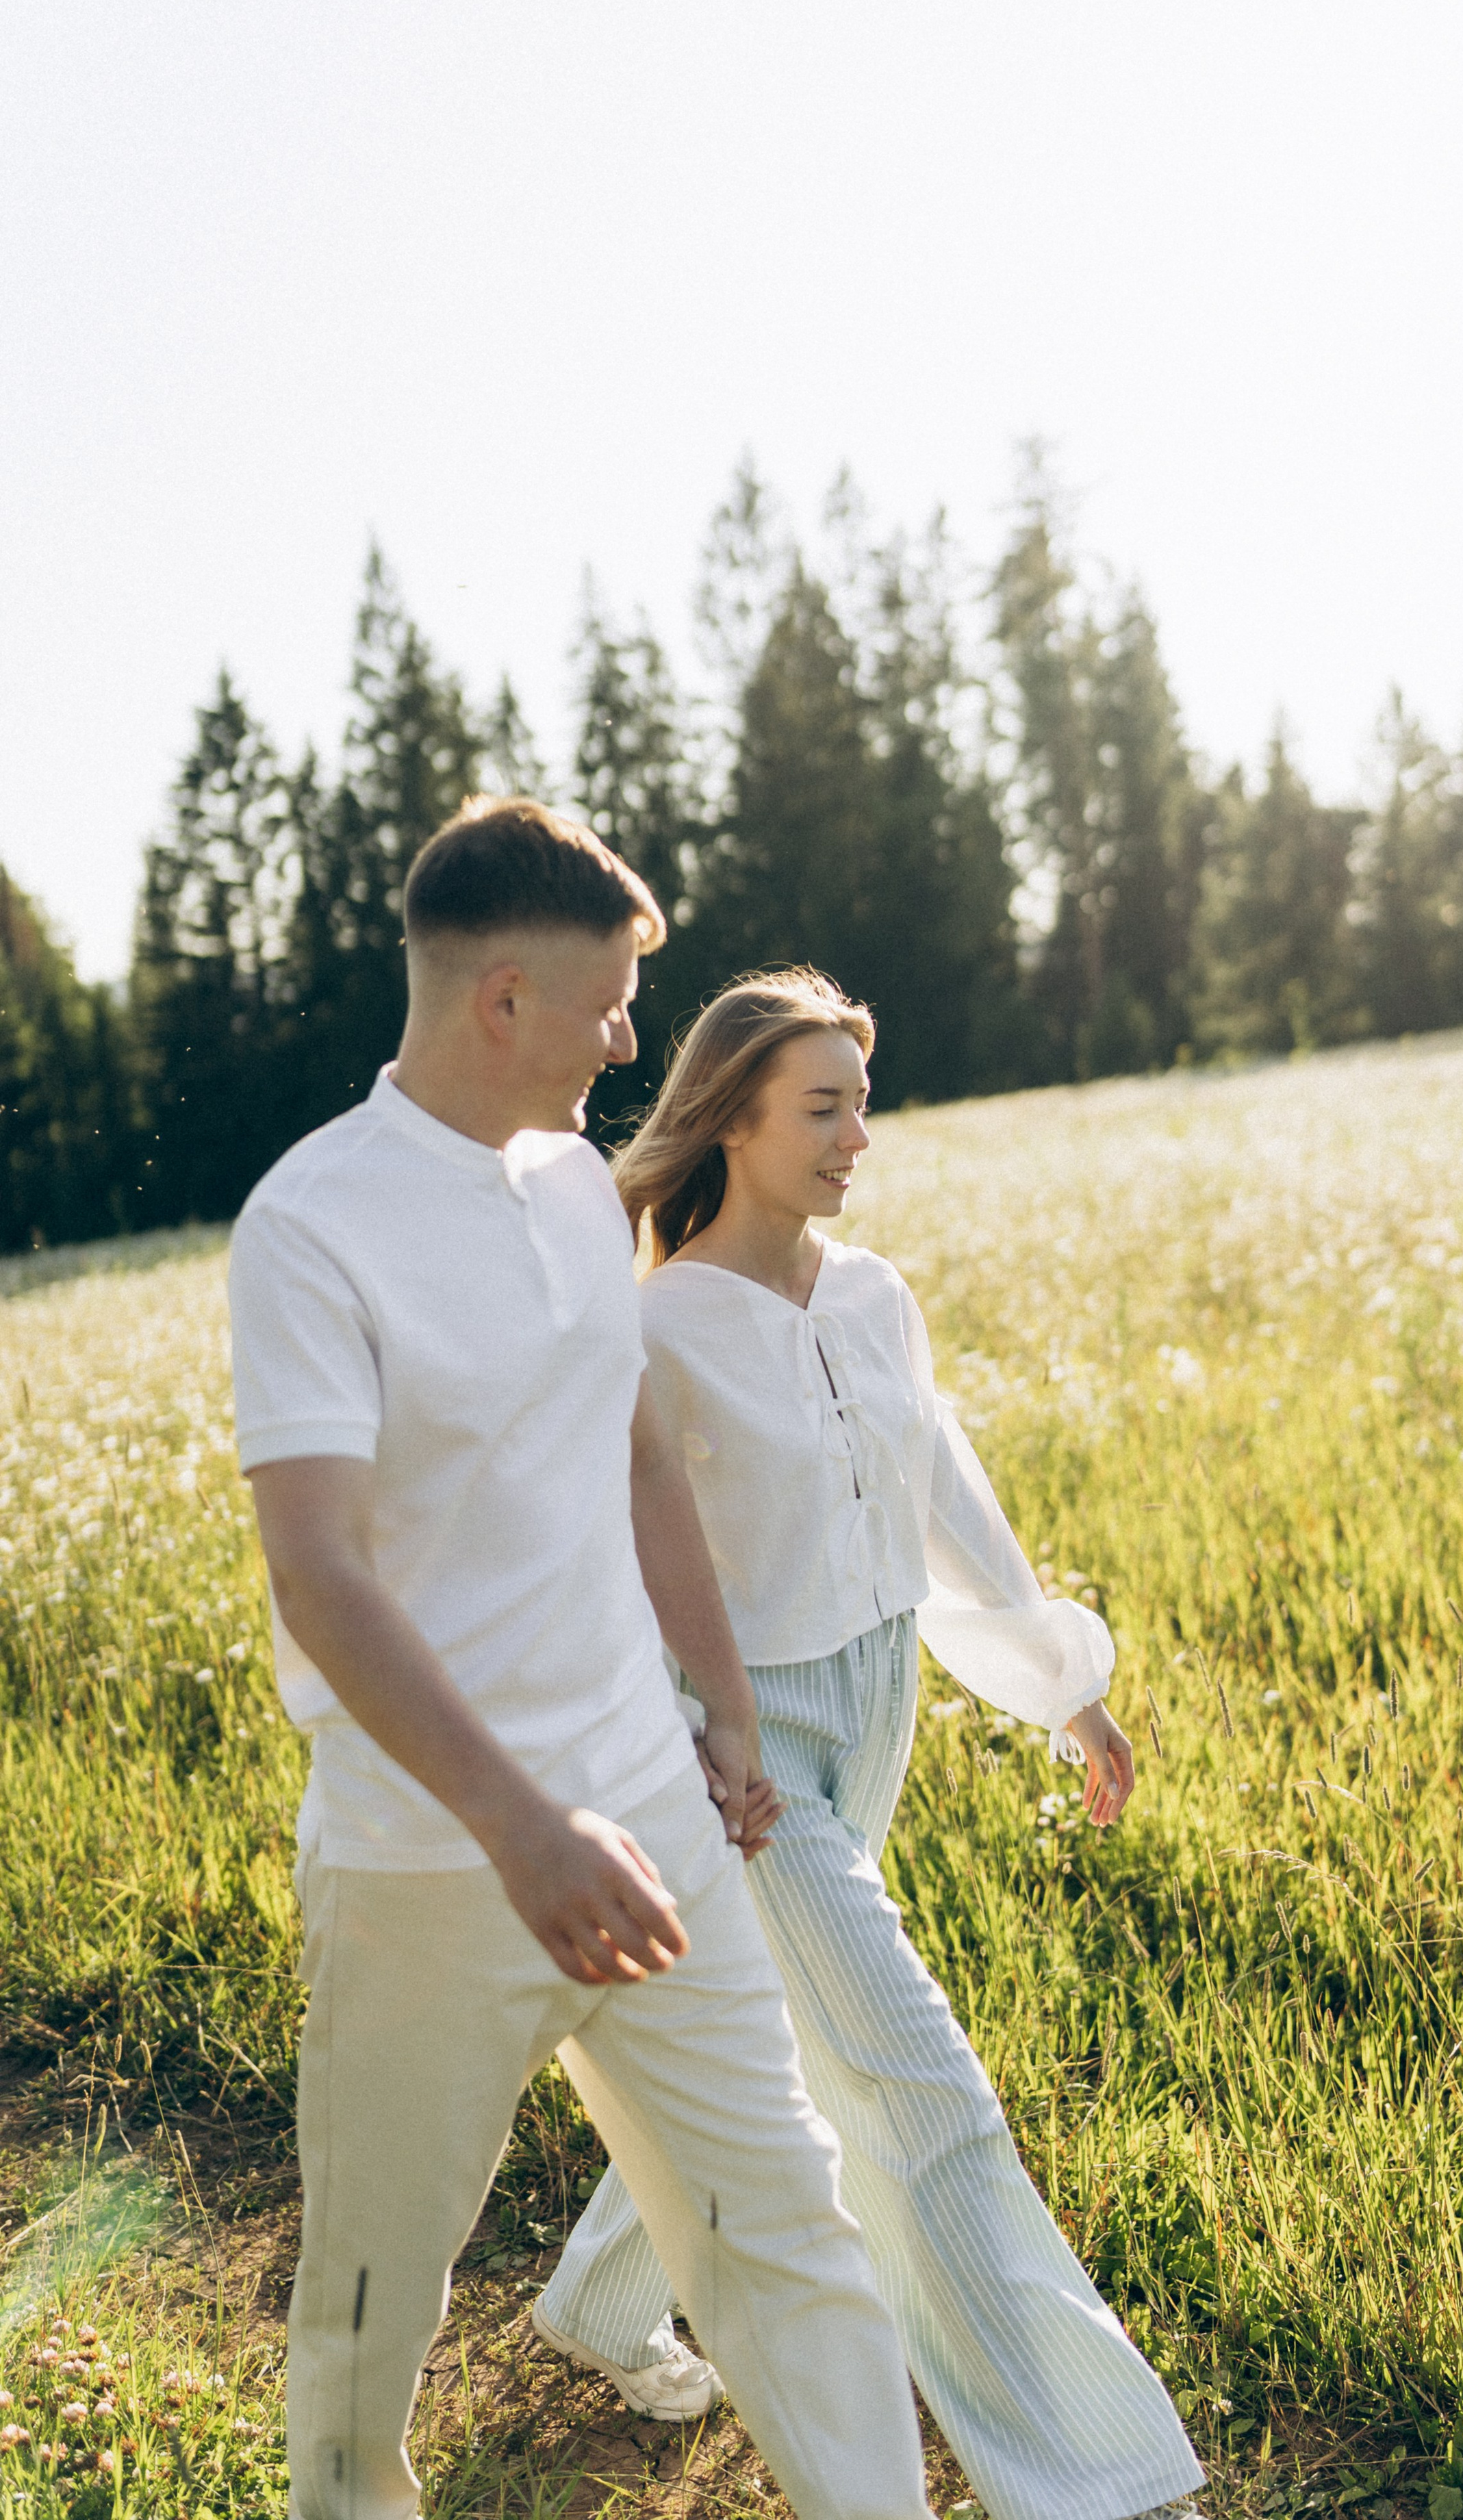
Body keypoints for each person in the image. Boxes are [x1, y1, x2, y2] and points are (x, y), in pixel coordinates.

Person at [229, 806, 934, 2520]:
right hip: (430, 1863)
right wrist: (522, 1830)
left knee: (785, 2209)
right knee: (378, 2293)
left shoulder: (569, 1190)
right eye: (614, 999)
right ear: (502, 997)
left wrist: (724, 1711)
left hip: (653, 1809)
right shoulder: (309, 1228)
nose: (633, 1037)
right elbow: (317, 1572)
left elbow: (631, 1460)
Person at [532, 968, 1204, 2520]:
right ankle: (1088, 2468)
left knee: (769, 2040)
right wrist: (673, 1750)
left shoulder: (874, 1294)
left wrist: (1059, 1683)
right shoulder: (657, 1328)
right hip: (737, 1746)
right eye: (822, 1107)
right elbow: (607, 1556)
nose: (855, 1136)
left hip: (875, 1693)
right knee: (912, 2083)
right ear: (732, 1122)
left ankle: (598, 2305)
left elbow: (940, 1496)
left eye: (861, 1102)